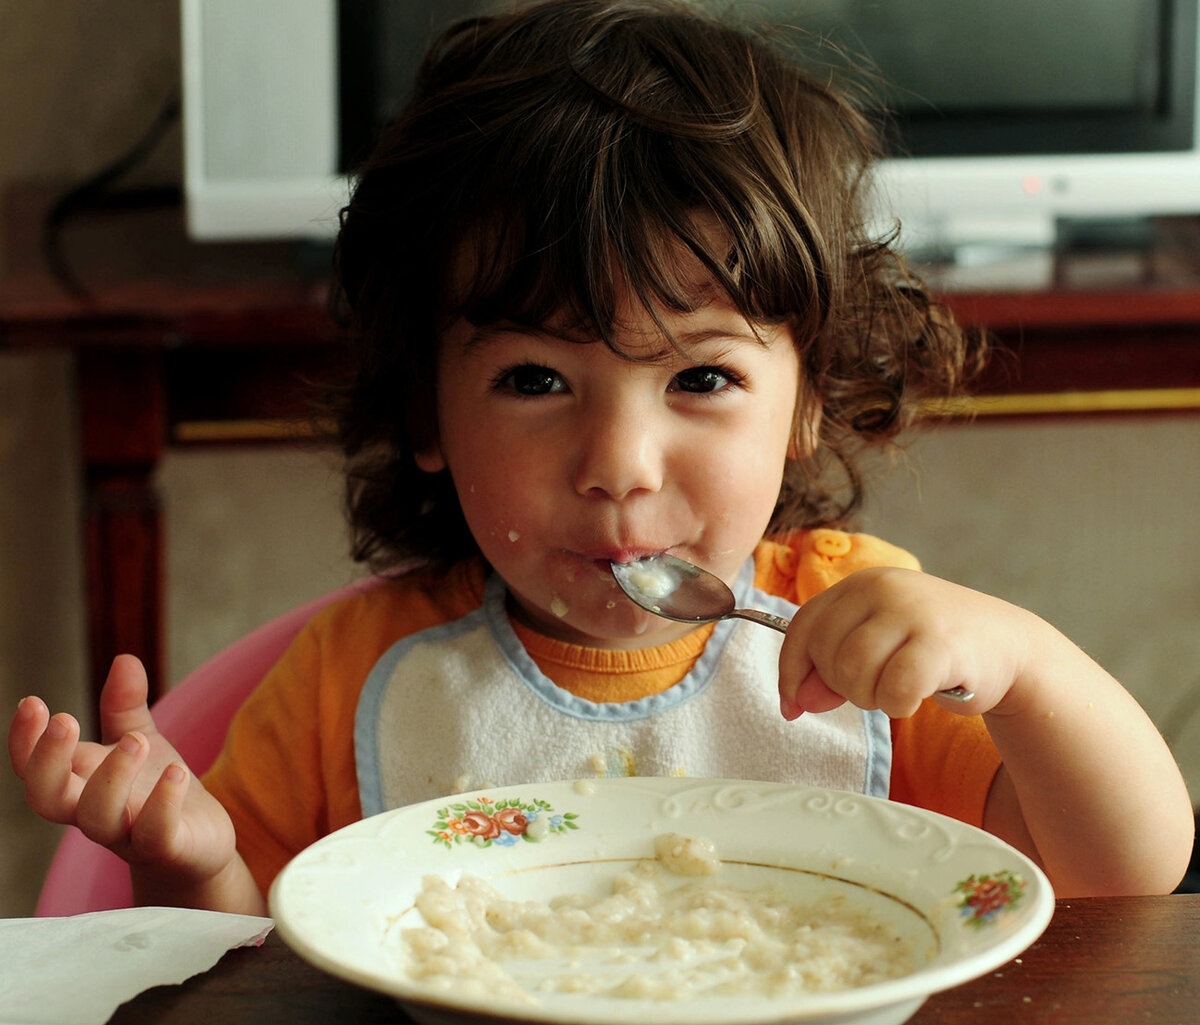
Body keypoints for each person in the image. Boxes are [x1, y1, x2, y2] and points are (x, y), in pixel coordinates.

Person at [9, 0, 1192, 914]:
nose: (620, 463)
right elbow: (250, 962)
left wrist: (1033, 671)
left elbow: (1121, 877)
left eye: (701, 379)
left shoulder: (853, 633)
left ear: (807, 406)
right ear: (425, 409)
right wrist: (186, 861)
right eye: (535, 380)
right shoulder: (351, 684)